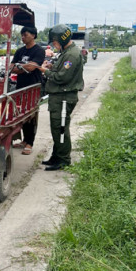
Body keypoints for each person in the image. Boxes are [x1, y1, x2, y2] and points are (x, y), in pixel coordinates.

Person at [35, 24, 84, 171]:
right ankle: (56, 156)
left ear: (61, 40)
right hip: (60, 97)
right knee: (57, 129)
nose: (54, 45)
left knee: (61, 128)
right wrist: (51, 66)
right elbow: (61, 69)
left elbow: (62, 77)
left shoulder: (71, 54)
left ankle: (63, 160)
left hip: (64, 97)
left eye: (55, 42)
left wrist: (45, 71)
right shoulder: (67, 52)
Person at [9, 26, 45, 155]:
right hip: (21, 87)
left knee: (31, 115)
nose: (23, 37)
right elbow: (11, 67)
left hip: (33, 88)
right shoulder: (20, 51)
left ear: (33, 35)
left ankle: (30, 142)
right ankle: (24, 140)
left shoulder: (39, 51)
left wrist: (21, 67)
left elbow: (32, 67)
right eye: (22, 35)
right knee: (21, 114)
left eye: (26, 35)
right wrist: (22, 68)